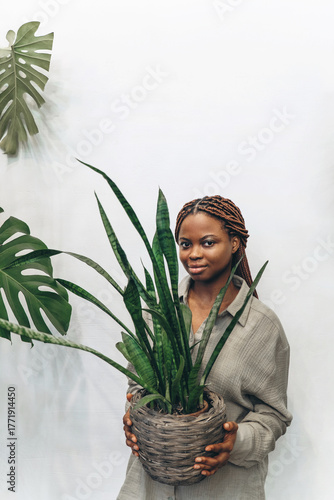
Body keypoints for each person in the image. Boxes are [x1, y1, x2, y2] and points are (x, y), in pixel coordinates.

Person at [117, 195, 292, 500]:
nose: (194, 254)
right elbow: (137, 387)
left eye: (208, 243)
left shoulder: (262, 326)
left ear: (235, 243)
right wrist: (134, 418)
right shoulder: (157, 314)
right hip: (150, 487)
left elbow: (273, 416)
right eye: (185, 244)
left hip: (225, 488)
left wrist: (235, 442)